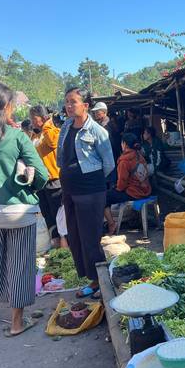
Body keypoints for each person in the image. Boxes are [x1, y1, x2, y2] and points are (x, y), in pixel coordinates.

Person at [0, 82, 49, 335]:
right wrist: (29, 180)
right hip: (17, 212)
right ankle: (16, 323)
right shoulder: (16, 136)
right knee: (20, 265)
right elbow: (42, 175)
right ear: (5, 106)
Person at [58, 87, 115, 298]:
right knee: (75, 236)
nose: (69, 105)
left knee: (90, 237)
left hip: (90, 191)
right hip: (69, 189)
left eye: (73, 101)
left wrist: (92, 181)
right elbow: (61, 153)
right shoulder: (65, 126)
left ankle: (100, 281)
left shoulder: (97, 131)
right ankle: (90, 277)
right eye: (67, 102)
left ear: (86, 105)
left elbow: (108, 163)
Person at [104, 133, 152, 234]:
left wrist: (115, 190)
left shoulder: (124, 161)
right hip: (145, 190)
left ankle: (112, 224)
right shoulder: (140, 156)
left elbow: (121, 184)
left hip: (134, 193)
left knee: (103, 197)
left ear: (124, 144)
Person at [29, 104, 63, 247]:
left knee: (58, 214)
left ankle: (64, 243)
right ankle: (54, 242)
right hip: (41, 181)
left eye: (33, 118)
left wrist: (48, 124)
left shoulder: (54, 131)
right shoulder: (35, 135)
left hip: (54, 180)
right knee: (47, 213)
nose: (31, 121)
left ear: (43, 117)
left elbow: (53, 143)